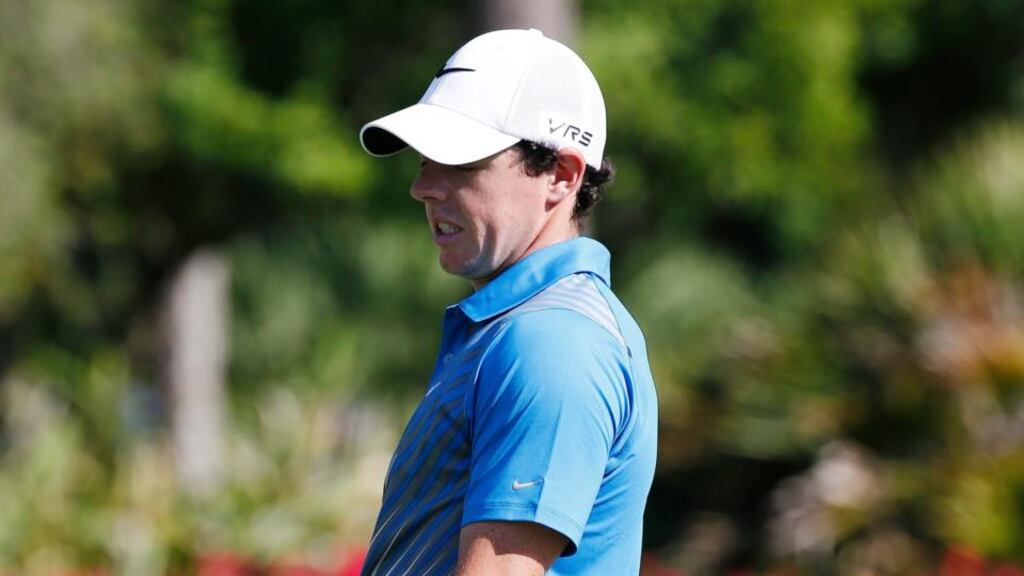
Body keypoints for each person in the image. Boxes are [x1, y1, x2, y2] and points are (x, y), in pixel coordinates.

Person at [356, 28, 658, 576]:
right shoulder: (526, 329)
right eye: (425, 159)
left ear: (561, 176)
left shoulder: (554, 342)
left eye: (462, 162)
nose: (422, 187)